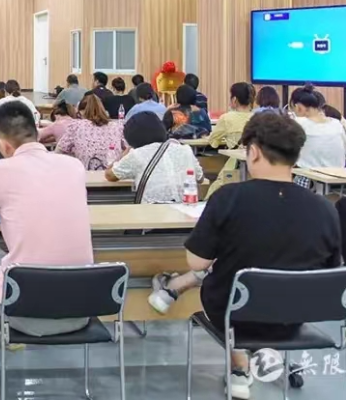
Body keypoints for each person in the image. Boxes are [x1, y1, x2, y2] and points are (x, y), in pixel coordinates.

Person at [149, 112, 341, 399]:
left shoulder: (228, 197)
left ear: (253, 152)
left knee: (223, 270)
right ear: (296, 155)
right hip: (295, 317)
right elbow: (330, 271)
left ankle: (239, 366)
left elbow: (196, 262)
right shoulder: (325, 208)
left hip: (232, 313)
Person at [0, 102, 93, 394]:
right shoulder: (73, 166)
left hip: (24, 311)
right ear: (36, 133)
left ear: (3, 144)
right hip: (83, 308)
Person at [106, 112, 203, 202]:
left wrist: (126, 152)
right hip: (185, 208)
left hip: (151, 210)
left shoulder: (137, 154)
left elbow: (110, 175)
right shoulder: (185, 150)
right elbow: (200, 178)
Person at [290, 84, 346, 188]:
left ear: (298, 107)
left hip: (308, 183)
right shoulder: (337, 124)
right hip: (339, 184)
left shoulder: (298, 123)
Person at [56, 95, 126, 170]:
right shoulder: (117, 126)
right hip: (112, 172)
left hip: (85, 173)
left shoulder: (75, 126)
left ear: (82, 112)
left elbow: (59, 150)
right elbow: (128, 149)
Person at [206, 82, 254, 149]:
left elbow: (213, 141)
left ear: (234, 99)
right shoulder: (259, 118)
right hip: (254, 155)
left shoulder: (226, 118)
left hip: (235, 155)